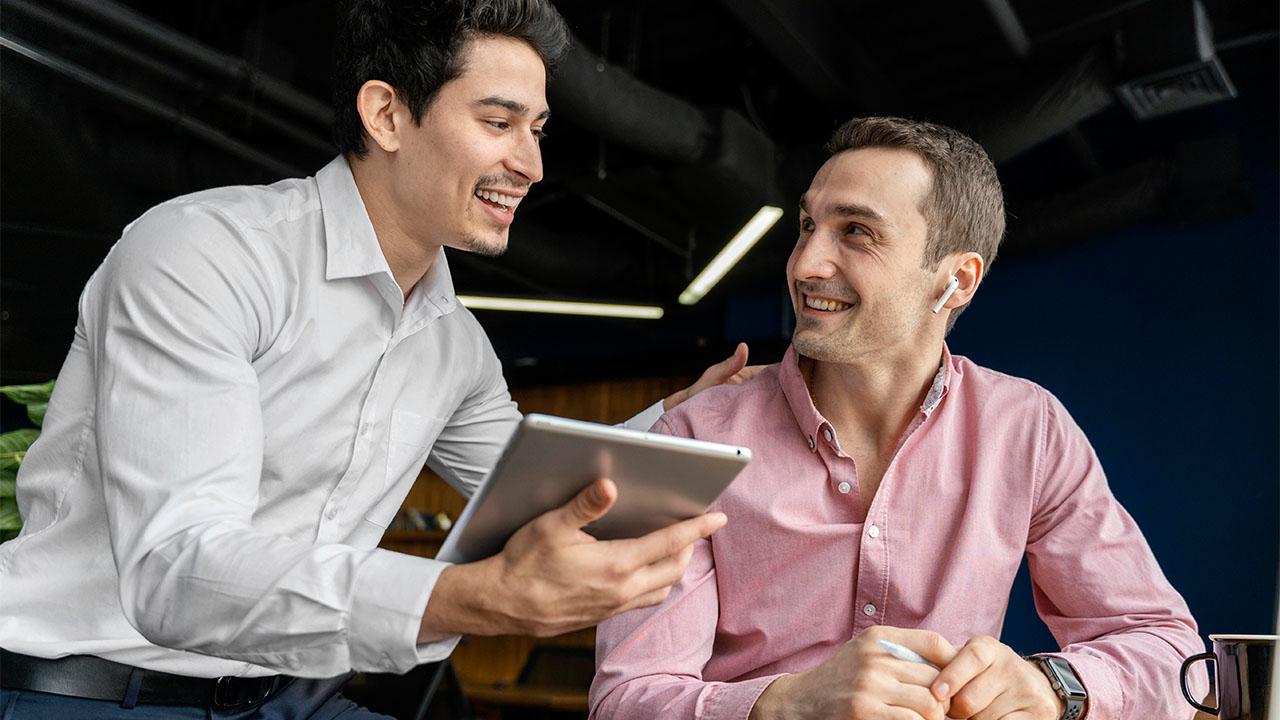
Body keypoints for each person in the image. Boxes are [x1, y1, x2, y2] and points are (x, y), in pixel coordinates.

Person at [0, 1, 744, 717]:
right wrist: (466, 597)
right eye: (498, 122)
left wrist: (676, 420)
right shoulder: (205, 254)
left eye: (538, 130)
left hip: (284, 698)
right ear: (386, 114)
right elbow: (177, 569)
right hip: (79, 690)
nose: (532, 164)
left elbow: (544, 484)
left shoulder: (454, 345)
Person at [591, 116, 1208, 720]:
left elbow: (1167, 647)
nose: (805, 264)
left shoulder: (1028, 429)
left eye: (856, 231)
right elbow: (624, 700)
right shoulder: (691, 437)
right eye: (808, 225)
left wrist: (1055, 687)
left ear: (956, 281)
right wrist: (785, 706)